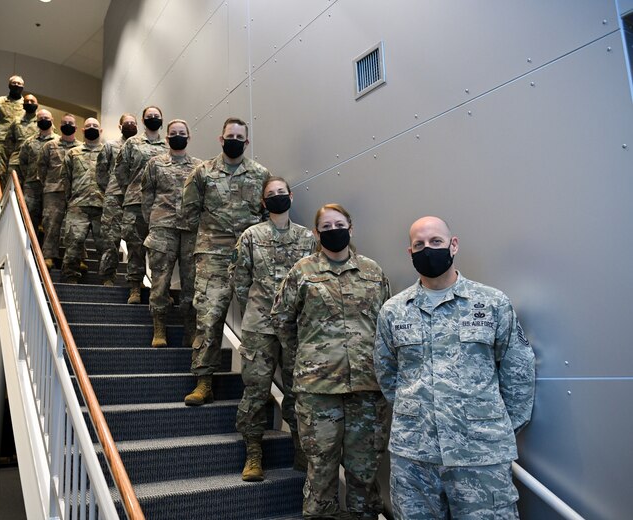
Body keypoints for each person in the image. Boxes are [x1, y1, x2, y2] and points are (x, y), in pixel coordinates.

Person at [374, 216, 536, 520]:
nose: (428, 249)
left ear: (454, 245)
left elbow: (518, 371)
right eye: (419, 244)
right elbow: (386, 373)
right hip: (415, 456)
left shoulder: (492, 303)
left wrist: (491, 427)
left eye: (436, 241)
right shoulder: (394, 311)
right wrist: (419, 415)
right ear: (410, 252)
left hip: (481, 454)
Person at [271, 203, 390, 520]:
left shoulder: (373, 272)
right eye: (326, 226)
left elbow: (385, 324)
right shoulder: (302, 272)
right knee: (321, 466)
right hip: (318, 390)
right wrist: (307, 358)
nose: (333, 230)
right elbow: (281, 320)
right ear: (316, 233)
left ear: (351, 228)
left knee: (364, 468)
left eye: (339, 225)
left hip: (366, 388)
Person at [182, 117, 271, 406]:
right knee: (208, 319)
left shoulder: (260, 174)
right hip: (213, 256)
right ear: (221, 139)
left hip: (249, 258)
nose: (234, 141)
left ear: (247, 142)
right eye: (229, 136)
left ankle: (254, 388)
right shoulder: (203, 172)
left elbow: (267, 216)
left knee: (256, 325)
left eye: (239, 137)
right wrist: (204, 244)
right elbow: (189, 212)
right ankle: (204, 382)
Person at [230, 176, 315, 482]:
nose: (277, 196)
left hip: (296, 328)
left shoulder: (308, 238)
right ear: (263, 202)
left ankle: (301, 452)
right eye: (271, 193)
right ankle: (253, 453)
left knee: (299, 392)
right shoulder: (251, 236)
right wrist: (256, 308)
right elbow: (240, 278)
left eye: (281, 192)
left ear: (290, 197)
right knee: (255, 391)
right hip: (260, 327)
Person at [141, 119, 202, 347]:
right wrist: (154, 222)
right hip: (162, 229)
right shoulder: (155, 164)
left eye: (182, 132)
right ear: (167, 138)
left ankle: (190, 330)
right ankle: (159, 328)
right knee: (160, 281)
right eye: (174, 133)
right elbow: (146, 197)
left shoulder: (199, 167)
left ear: (189, 137)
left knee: (192, 283)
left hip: (190, 231)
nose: (178, 136)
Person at [114, 106, 168, 301]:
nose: (153, 118)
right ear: (143, 121)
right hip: (136, 202)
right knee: (135, 246)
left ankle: (160, 290)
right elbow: (120, 171)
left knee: (160, 250)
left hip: (161, 206)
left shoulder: (167, 146)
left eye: (156, 115)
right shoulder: (132, 143)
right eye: (149, 116)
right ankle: (135, 287)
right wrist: (133, 189)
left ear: (162, 120)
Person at [60, 118, 105, 284]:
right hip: (78, 205)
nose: (92, 128)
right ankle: (71, 277)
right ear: (82, 130)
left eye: (95, 126)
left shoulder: (108, 152)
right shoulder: (73, 153)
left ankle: (107, 280)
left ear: (101, 131)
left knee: (106, 245)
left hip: (103, 206)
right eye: (88, 126)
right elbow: (65, 179)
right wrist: (70, 201)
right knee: (73, 243)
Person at [98, 113, 138, 286]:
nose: (130, 125)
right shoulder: (110, 146)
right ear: (120, 126)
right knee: (110, 239)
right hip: (114, 197)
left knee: (135, 240)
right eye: (127, 123)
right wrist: (110, 189)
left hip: (135, 198)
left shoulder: (142, 146)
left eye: (133, 123)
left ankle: (136, 280)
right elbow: (101, 172)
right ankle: (108, 277)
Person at [39, 113, 82, 270]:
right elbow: (41, 169)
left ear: (76, 128)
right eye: (65, 123)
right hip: (53, 191)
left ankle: (79, 258)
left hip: (75, 193)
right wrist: (50, 184)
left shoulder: (81, 148)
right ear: (60, 125)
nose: (68, 125)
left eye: (71, 123)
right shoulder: (49, 146)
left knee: (77, 227)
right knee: (51, 223)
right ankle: (49, 256)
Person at [18, 109, 57, 232]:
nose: (43, 120)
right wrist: (30, 176)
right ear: (36, 121)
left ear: (52, 120)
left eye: (46, 118)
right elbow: (22, 162)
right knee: (28, 219)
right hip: (32, 186)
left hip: (52, 187)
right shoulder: (29, 142)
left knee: (50, 220)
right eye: (40, 119)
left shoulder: (58, 142)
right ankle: (29, 244)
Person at [0, 75, 24, 184]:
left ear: (23, 87)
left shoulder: (26, 103)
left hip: (19, 142)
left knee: (18, 171)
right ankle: (2, 193)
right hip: (2, 141)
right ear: (9, 85)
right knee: (1, 171)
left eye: (19, 83)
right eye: (14, 83)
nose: (16, 85)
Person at [4, 93, 39, 184]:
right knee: (13, 188)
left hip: (35, 163)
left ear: (37, 104)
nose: (29, 103)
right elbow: (8, 142)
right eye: (26, 101)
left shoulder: (42, 121)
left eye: (32, 101)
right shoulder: (16, 121)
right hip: (16, 162)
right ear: (23, 104)